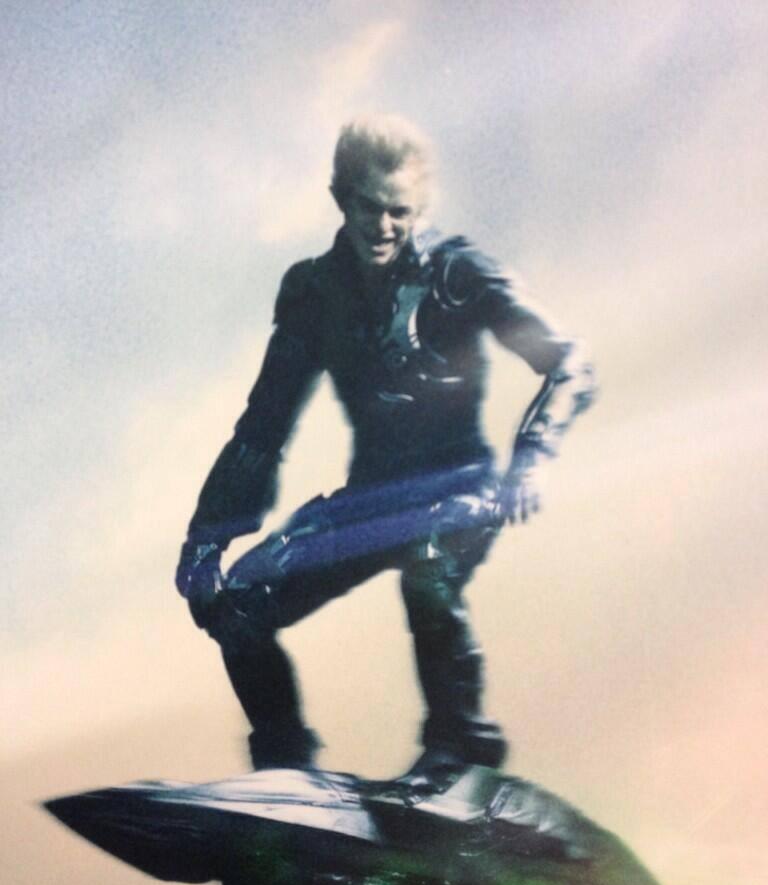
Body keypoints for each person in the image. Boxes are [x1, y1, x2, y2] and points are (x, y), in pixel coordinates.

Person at [175, 115, 595, 787]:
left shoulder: (458, 272)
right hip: (369, 500)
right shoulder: (313, 292)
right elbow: (263, 425)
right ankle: (285, 783)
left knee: (427, 573)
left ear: (418, 209)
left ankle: (461, 759)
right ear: (342, 198)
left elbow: (569, 364)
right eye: (370, 207)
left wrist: (531, 459)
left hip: (459, 489)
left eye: (400, 211)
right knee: (241, 602)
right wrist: (206, 539)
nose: (384, 225)